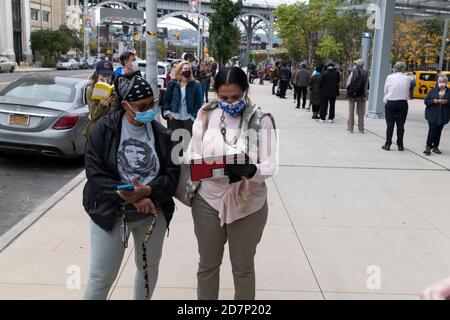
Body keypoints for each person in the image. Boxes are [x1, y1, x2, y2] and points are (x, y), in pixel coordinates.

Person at [83, 73, 180, 300]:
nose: (149, 109)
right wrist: (132, 196)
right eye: (142, 105)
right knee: (100, 279)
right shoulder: (103, 130)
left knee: (147, 270)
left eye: (152, 104)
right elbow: (95, 174)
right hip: (111, 213)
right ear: (126, 105)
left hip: (152, 214)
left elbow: (172, 174)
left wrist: (148, 191)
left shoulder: (163, 134)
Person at [185, 66, 277, 300]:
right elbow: (191, 153)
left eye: (235, 97)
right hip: (208, 201)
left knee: (243, 269)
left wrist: (250, 169)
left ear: (245, 90)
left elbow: (270, 165)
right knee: (207, 265)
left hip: (247, 204)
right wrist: (205, 165)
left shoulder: (261, 119)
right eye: (223, 97)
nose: (229, 102)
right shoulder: (206, 114)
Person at [162, 61, 203, 154]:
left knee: (189, 145)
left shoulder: (195, 84)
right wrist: (167, 113)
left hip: (189, 118)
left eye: (189, 69)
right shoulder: (173, 83)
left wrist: (193, 117)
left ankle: (187, 164)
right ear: (180, 71)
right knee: (176, 145)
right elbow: (166, 99)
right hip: (175, 118)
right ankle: (177, 166)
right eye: (185, 69)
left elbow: (199, 102)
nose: (187, 71)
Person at [382, 62, 414, 151]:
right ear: (404, 69)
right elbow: (409, 87)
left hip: (391, 102)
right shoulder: (408, 78)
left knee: (390, 124)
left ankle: (388, 144)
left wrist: (387, 97)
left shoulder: (389, 77)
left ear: (395, 68)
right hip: (402, 103)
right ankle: (400, 144)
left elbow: (386, 89)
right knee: (401, 125)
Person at [83, 60, 118, 137]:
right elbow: (93, 116)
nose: (107, 77)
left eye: (109, 75)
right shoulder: (91, 90)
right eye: (104, 75)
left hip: (113, 128)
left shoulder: (115, 88)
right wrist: (101, 106)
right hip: (99, 129)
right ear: (97, 74)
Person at [423, 74, 450, 156]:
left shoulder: (449, 92)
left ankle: (435, 146)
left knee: (438, 131)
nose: (441, 83)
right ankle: (428, 146)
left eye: (443, 82)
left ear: (446, 82)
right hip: (432, 114)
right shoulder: (433, 90)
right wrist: (433, 101)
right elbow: (426, 101)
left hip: (443, 115)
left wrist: (447, 102)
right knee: (432, 129)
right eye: (439, 81)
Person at [346, 59, 369, 133]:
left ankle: (350, 128)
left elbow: (348, 83)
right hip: (361, 95)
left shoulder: (352, 71)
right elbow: (366, 85)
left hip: (352, 95)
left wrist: (349, 91)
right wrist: (364, 94)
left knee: (351, 111)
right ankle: (361, 129)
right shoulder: (366, 73)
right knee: (360, 112)